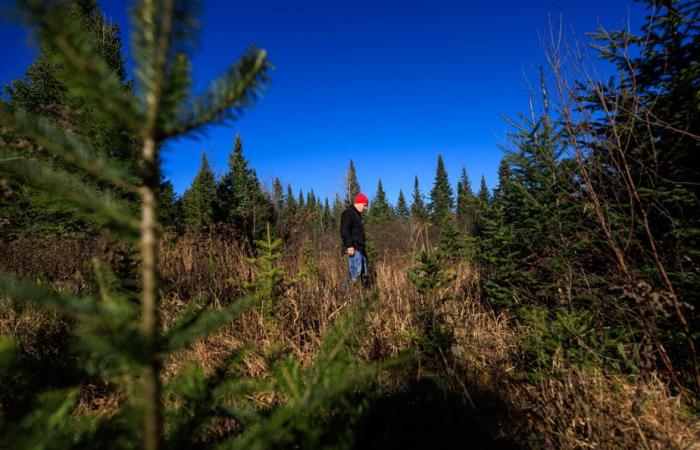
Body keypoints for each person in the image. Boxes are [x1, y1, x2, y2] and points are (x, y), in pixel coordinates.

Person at [340, 193, 368, 284]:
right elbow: (344, 230)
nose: (365, 208)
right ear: (359, 203)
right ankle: (343, 294)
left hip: (360, 250)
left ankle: (359, 295)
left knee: (363, 276)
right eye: (365, 205)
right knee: (355, 276)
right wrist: (349, 246)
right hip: (354, 249)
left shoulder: (357, 215)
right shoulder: (349, 213)